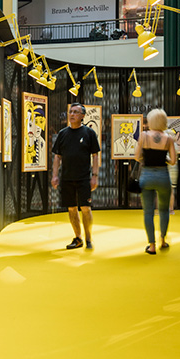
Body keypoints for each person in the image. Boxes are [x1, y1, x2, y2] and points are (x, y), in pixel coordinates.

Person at [51, 103, 101, 250]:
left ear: (82, 116)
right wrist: (55, 175)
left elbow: (95, 156)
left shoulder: (89, 133)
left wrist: (95, 176)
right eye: (70, 112)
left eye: (75, 112)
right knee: (72, 209)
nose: (72, 114)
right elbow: (57, 157)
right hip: (67, 177)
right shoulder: (63, 133)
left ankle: (88, 238)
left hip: (84, 177)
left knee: (85, 208)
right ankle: (78, 238)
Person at [135, 108, 177, 255]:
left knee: (148, 212)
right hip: (163, 176)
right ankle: (163, 240)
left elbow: (136, 156)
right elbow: (173, 161)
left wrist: (146, 158)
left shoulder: (144, 136)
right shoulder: (168, 138)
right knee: (164, 210)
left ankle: (151, 245)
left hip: (146, 176)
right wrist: (164, 158)